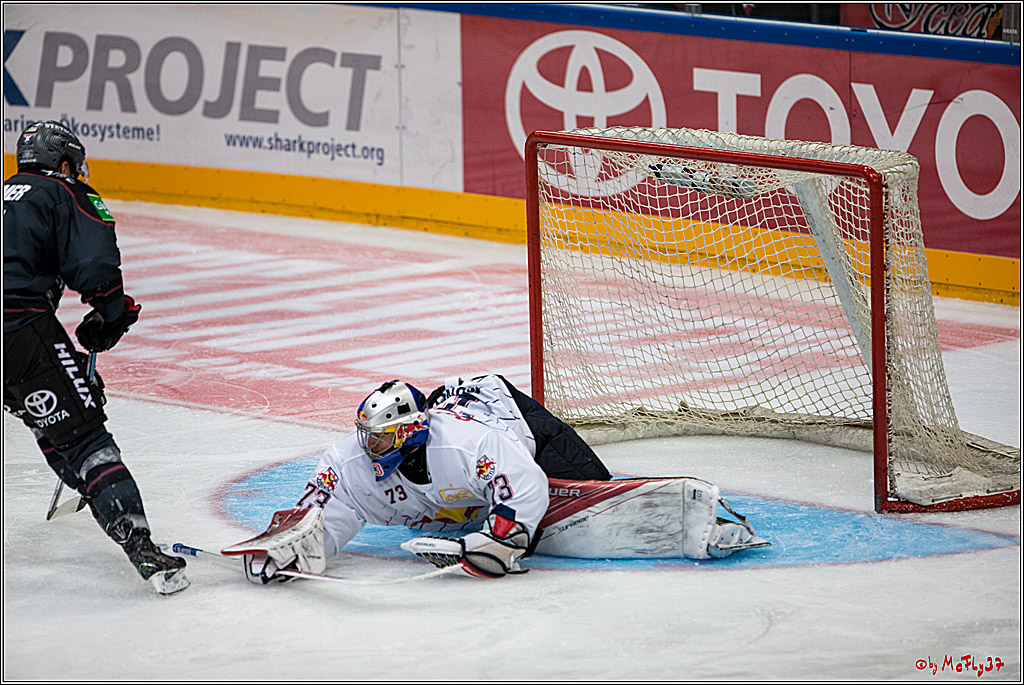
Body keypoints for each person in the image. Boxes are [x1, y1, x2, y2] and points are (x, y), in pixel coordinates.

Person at [226, 373, 767, 583]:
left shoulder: (465, 443)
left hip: (513, 419)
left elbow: (525, 482)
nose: (372, 448)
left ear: (412, 433)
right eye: (368, 437)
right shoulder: (346, 461)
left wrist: (505, 534)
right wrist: (290, 550)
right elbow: (324, 511)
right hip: (462, 459)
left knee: (588, 487)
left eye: (384, 438)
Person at [3, 120, 188, 595]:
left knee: (45, 412)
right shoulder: (65, 191)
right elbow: (96, 268)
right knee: (84, 439)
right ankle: (145, 552)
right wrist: (111, 314)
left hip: (19, 326)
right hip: (17, 327)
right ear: (63, 162)